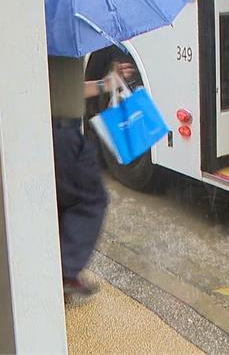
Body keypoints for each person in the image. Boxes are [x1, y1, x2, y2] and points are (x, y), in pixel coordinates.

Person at [49, 55, 132, 305]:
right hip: (63, 134)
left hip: (58, 131)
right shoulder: (55, 40)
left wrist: (107, 83)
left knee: (64, 202)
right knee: (91, 200)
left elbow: (66, 88)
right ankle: (64, 273)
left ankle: (59, 273)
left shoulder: (52, 38)